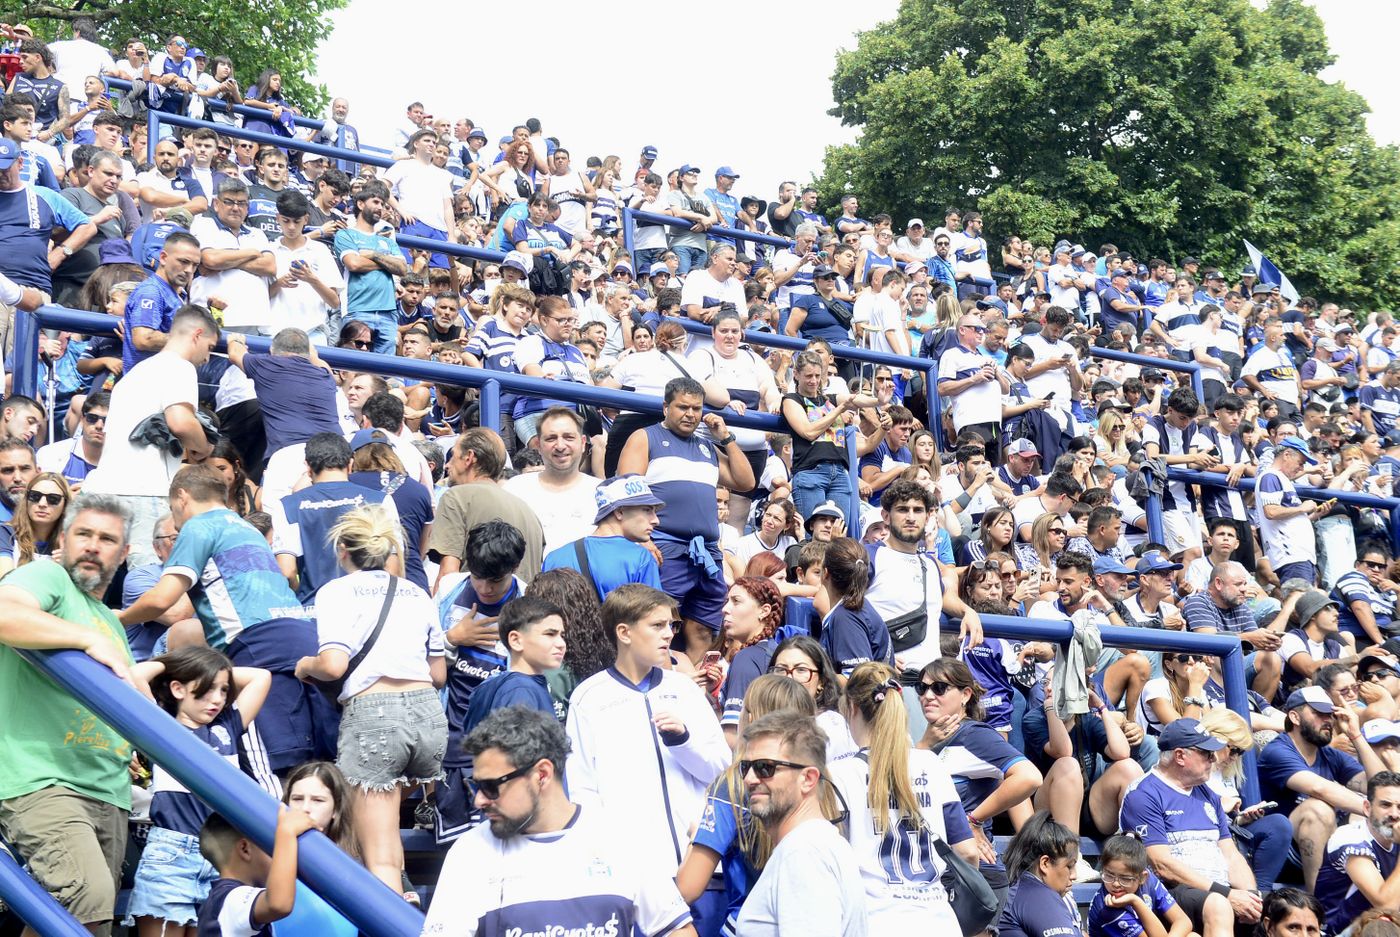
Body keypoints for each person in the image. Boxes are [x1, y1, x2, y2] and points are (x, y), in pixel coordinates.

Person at [422, 706, 698, 937]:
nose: (479, 800)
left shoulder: (619, 835)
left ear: (542, 774)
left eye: (492, 786)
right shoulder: (471, 852)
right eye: (475, 786)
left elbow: (676, 929)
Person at [294, 504, 447, 895]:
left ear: (343, 549)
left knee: (376, 855)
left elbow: (332, 664)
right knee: (389, 845)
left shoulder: (335, 592)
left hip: (375, 720)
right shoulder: (415, 592)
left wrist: (304, 666)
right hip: (427, 718)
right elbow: (438, 675)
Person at [0, 492, 134, 935]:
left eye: (107, 538)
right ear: (63, 538)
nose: (94, 546)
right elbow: (2, 611)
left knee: (77, 918)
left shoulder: (110, 620)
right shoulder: (48, 576)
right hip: (44, 779)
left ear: (124, 552)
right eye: (84, 534)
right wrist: (85, 638)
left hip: (108, 788)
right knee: (86, 898)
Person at [565, 584, 730, 877]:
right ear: (624, 633)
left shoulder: (685, 690)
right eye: (657, 625)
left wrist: (684, 742)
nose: (669, 633)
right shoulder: (588, 697)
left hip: (699, 865)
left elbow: (721, 771)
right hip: (630, 872)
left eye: (671, 624)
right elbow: (582, 787)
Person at [125, 647, 271, 937]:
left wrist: (215, 669)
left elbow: (261, 677)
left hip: (221, 855)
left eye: (223, 690)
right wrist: (177, 666)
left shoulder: (228, 725)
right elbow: (135, 675)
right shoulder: (160, 724)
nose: (217, 699)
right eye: (206, 690)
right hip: (171, 852)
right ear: (178, 688)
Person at [830, 661, 977, 932]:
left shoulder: (838, 774)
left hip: (876, 922)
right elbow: (967, 852)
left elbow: (831, 864)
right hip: (939, 922)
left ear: (851, 708)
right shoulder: (931, 765)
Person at [618, 377, 755, 661]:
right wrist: (640, 540)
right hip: (664, 546)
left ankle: (694, 688)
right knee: (657, 623)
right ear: (666, 407)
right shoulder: (645, 437)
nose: (690, 414)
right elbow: (624, 494)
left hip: (706, 553)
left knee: (704, 631)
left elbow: (746, 480)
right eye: (683, 407)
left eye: (696, 408)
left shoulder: (706, 447)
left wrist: (726, 437)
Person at [84, 304, 217, 567]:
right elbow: (180, 422)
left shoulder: (134, 375)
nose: (207, 357)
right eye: (210, 347)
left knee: (91, 578)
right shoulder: (179, 367)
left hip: (102, 489)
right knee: (146, 579)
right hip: (145, 490)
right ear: (197, 334)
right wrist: (204, 447)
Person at [916, 657, 1043, 909]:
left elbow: (1030, 777)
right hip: (935, 869)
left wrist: (974, 820)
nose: (928, 695)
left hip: (972, 873)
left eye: (939, 688)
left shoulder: (974, 735)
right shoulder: (926, 741)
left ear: (965, 695)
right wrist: (923, 746)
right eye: (922, 688)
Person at [1118, 717, 1261, 937]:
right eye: (1206, 753)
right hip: (1168, 893)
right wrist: (1226, 894)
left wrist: (1251, 896)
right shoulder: (1144, 794)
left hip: (1215, 890)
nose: (1213, 759)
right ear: (1180, 756)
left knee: (1284, 909)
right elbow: (1162, 864)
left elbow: (1231, 855)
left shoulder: (1207, 794)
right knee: (1219, 905)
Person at [733, 710, 868, 936]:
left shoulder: (802, 853)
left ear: (808, 779)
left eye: (765, 767)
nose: (749, 779)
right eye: (746, 767)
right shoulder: (815, 844)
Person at [1258, 685, 1384, 890]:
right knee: (1318, 808)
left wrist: (1355, 735)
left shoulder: (1328, 754)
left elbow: (1380, 785)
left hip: (1325, 842)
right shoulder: (1277, 751)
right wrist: (1377, 811)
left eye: (1329, 714)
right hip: (1282, 851)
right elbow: (1319, 788)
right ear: (1295, 717)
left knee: (1365, 812)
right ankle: (1322, 904)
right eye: (1318, 713)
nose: (1327, 720)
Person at [272, 432, 401, 601]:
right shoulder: (381, 500)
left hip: (314, 610)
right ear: (350, 464)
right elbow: (391, 566)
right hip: (369, 605)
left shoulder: (288, 506)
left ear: (308, 467)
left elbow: (287, 571)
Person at [429, 428, 545, 589]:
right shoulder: (528, 512)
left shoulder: (456, 497)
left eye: (453, 456)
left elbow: (448, 577)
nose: (448, 465)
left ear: (469, 458)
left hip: (474, 611)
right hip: (525, 611)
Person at [195, 808, 316, 937]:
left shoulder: (220, 901)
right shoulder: (229, 899)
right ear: (245, 849)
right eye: (274, 845)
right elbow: (278, 904)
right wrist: (286, 833)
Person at [542, 473, 662, 600]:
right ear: (619, 512)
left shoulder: (554, 557)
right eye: (647, 510)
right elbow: (655, 615)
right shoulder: (641, 558)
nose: (656, 520)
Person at [501, 407, 598, 555]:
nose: (560, 446)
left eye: (569, 437)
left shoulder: (601, 492)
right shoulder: (515, 489)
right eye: (551, 438)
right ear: (538, 445)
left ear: (583, 443)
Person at [462, 595, 565, 733]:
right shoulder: (521, 691)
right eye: (550, 634)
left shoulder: (496, 684)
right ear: (516, 640)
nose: (561, 644)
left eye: (561, 635)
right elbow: (520, 752)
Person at [1314, 769, 1400, 933]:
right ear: (1367, 808)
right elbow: (1386, 906)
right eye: (1386, 805)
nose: (1394, 814)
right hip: (1337, 931)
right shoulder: (1350, 838)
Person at [332, 180, 408, 355]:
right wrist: (388, 265)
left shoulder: (388, 240)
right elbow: (354, 264)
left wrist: (374, 255)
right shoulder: (345, 234)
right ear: (360, 203)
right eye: (375, 202)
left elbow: (403, 269)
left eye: (382, 203)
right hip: (358, 309)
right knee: (354, 368)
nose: (380, 207)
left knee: (383, 375)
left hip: (388, 313)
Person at [997, 811, 1085, 937]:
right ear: (1045, 863)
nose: (1074, 875)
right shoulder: (1038, 895)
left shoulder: (1019, 888)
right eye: (1069, 866)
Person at [1088, 833, 1192, 937]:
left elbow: (1183, 921)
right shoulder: (1107, 909)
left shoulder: (1149, 881)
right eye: (1109, 875)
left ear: (1143, 877)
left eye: (1125, 879)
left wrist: (1134, 901)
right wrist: (1136, 901)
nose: (1115, 884)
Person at [817, 536, 894, 675]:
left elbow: (854, 680)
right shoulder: (854, 607)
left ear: (825, 573)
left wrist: (815, 679)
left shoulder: (846, 617)